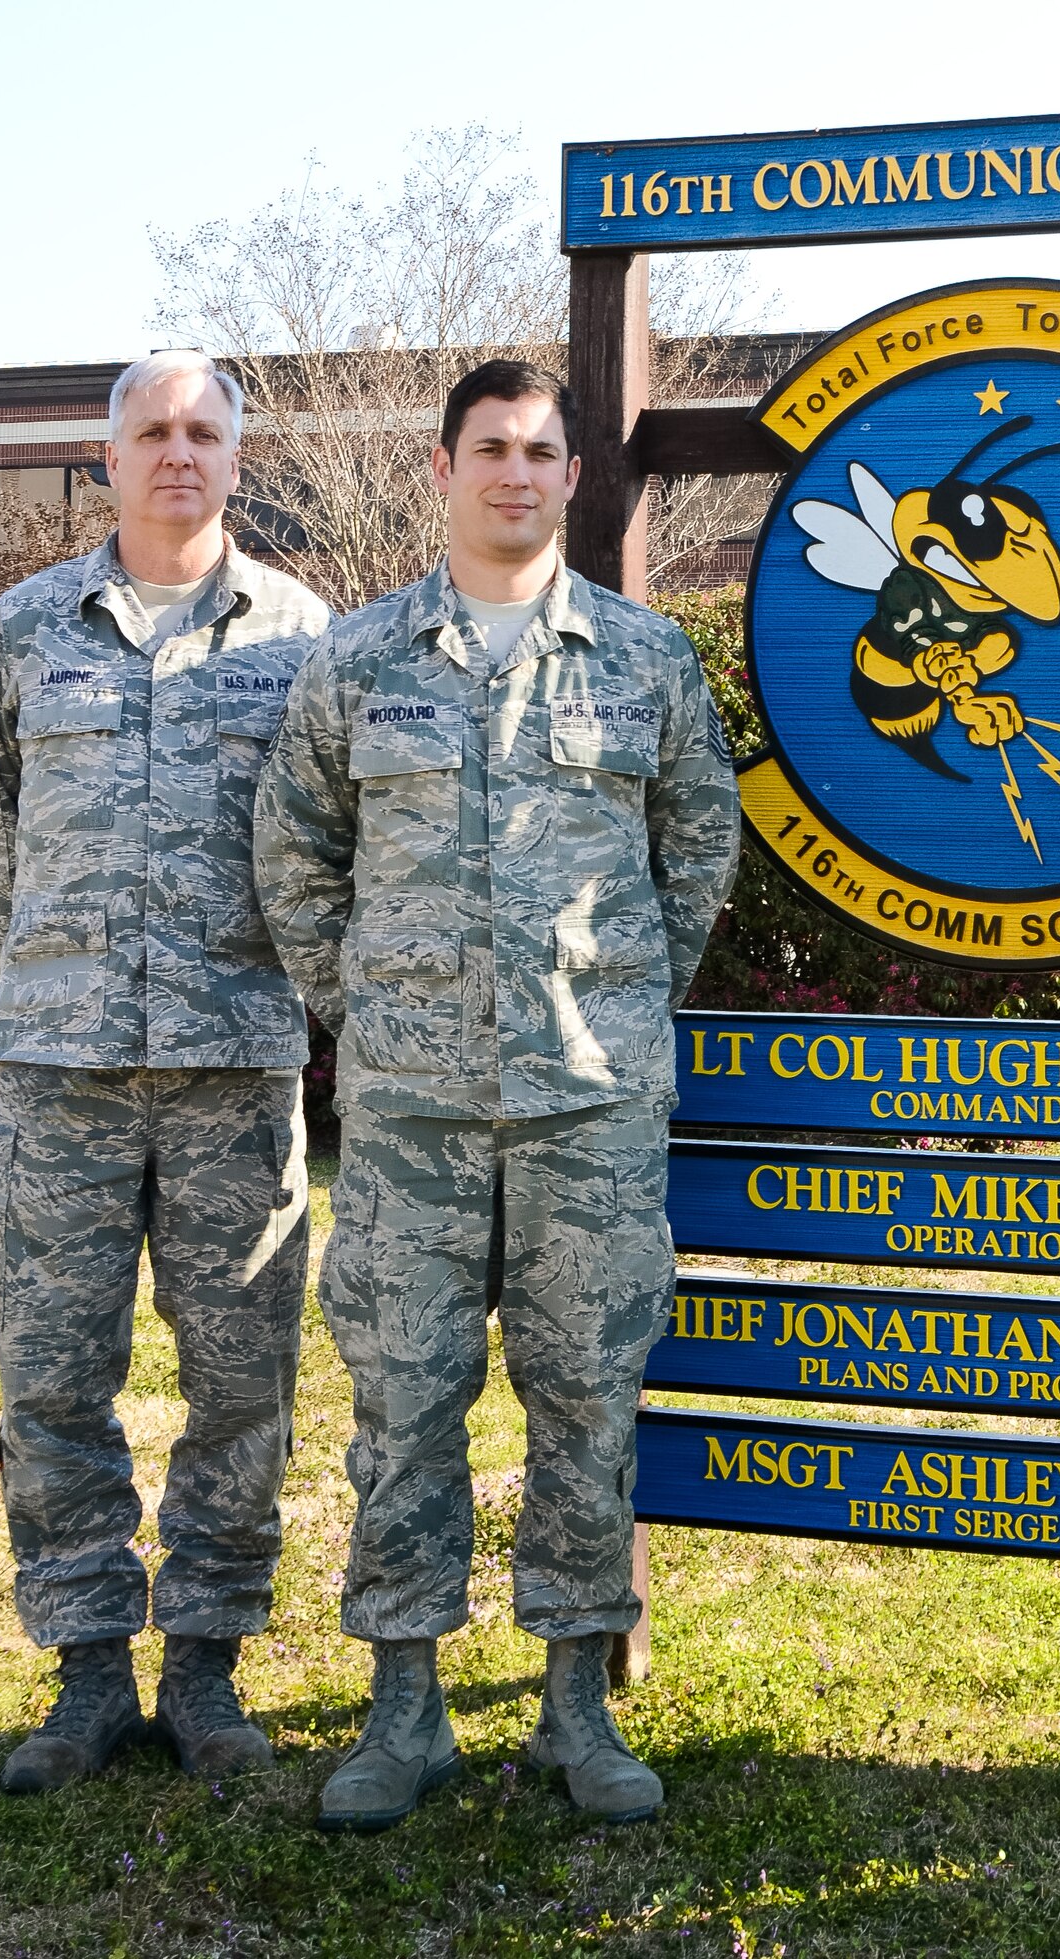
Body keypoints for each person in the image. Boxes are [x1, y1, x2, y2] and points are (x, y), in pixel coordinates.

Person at [255, 359, 739, 1833]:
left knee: (586, 1406)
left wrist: (610, 1014)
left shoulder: (646, 662)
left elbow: (698, 854)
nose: (515, 474)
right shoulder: (359, 662)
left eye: (541, 450)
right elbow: (294, 854)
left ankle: (573, 1709)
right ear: (443, 470)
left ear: (573, 476)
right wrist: (379, 1014)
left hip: (590, 1110)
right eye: (489, 450)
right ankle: (404, 1712)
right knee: (403, 1408)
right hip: (409, 1118)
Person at [0, 350, 328, 1792]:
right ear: (107, 459)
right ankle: (89, 1676)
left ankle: (211, 1669)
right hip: (61, 1074)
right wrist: (52, 970)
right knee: (52, 1383)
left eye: (204, 431)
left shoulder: (304, 634)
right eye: (152, 430)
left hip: (238, 1068)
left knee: (244, 1388)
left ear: (238, 459)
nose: (179, 451)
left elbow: (333, 834)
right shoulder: (25, 629)